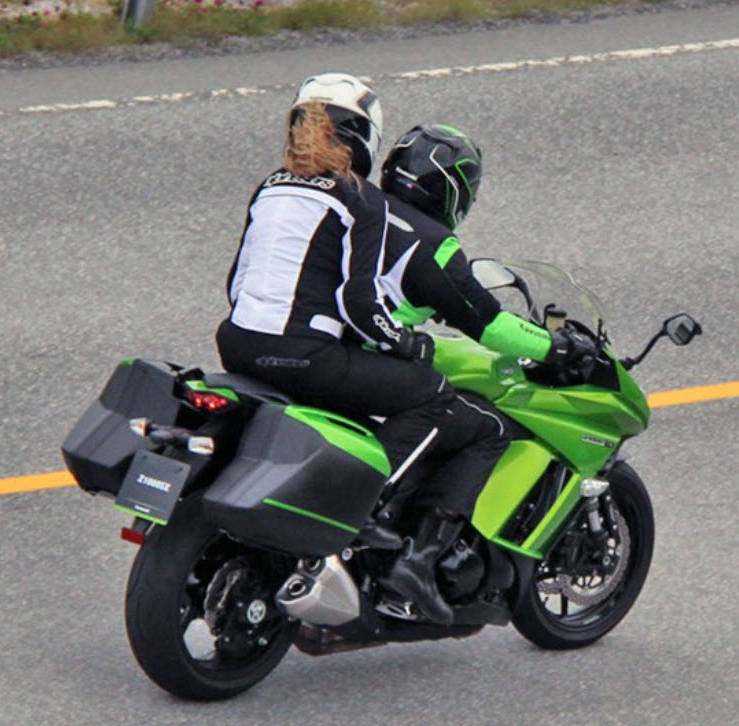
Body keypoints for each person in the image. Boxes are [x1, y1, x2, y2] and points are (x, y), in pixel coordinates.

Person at [215, 75, 593, 625]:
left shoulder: (273, 186)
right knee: (469, 417)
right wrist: (551, 346)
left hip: (237, 342)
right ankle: (406, 549)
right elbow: (399, 308)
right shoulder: (375, 211)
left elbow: (239, 281)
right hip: (311, 354)